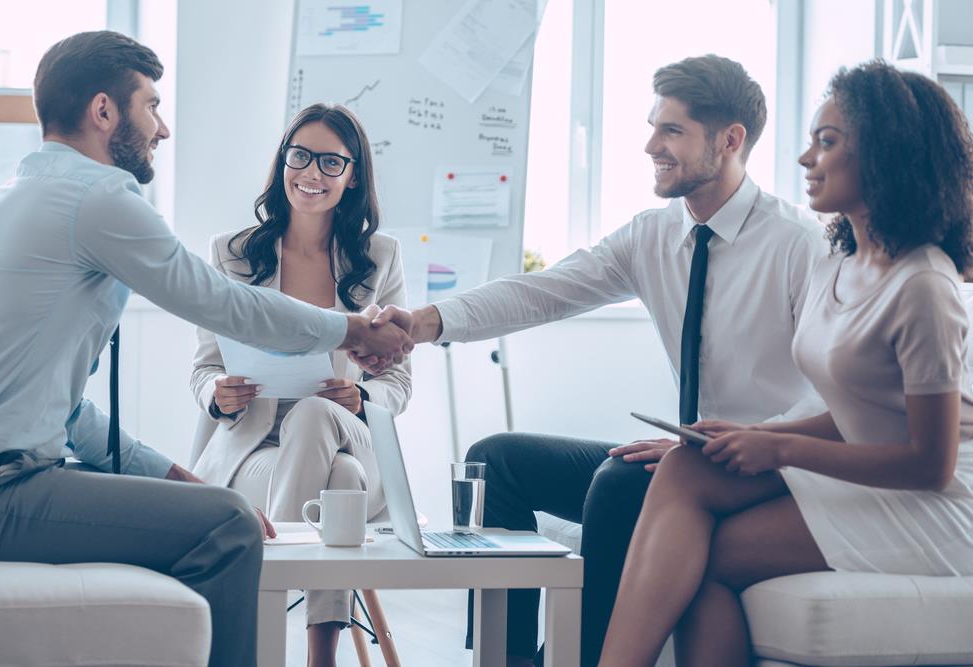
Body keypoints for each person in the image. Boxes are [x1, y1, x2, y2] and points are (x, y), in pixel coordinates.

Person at [372, 54, 827, 666]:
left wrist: (719, 447)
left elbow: (830, 394)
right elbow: (545, 291)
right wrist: (424, 323)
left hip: (763, 470)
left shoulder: (799, 245)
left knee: (617, 484)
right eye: (651, 126)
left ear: (730, 140)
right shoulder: (652, 235)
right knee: (497, 461)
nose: (649, 146)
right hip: (687, 457)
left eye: (671, 131)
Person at [0, 31, 410, 667]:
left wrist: (174, 475)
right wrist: (352, 329)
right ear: (104, 111)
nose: (163, 127)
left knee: (222, 504)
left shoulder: (11, 201)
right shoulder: (97, 198)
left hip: (2, 478)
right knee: (229, 525)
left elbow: (62, 413)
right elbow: (218, 302)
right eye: (151, 105)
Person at [598, 60, 973, 667]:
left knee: (700, 558)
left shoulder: (923, 284)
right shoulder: (839, 260)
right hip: (866, 473)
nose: (804, 159)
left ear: (885, 156)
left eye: (827, 143)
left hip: (938, 506)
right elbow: (861, 412)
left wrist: (781, 448)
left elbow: (931, 464)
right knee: (687, 471)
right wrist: (759, 433)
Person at [190, 102, 410, 666]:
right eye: (300, 156)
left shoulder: (380, 258)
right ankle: (321, 658)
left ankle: (261, 626)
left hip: (345, 429)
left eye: (331, 162)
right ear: (282, 162)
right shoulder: (233, 254)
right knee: (342, 481)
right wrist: (217, 394)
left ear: (353, 174)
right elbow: (204, 366)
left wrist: (362, 398)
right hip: (257, 443)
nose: (312, 173)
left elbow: (400, 383)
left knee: (318, 417)